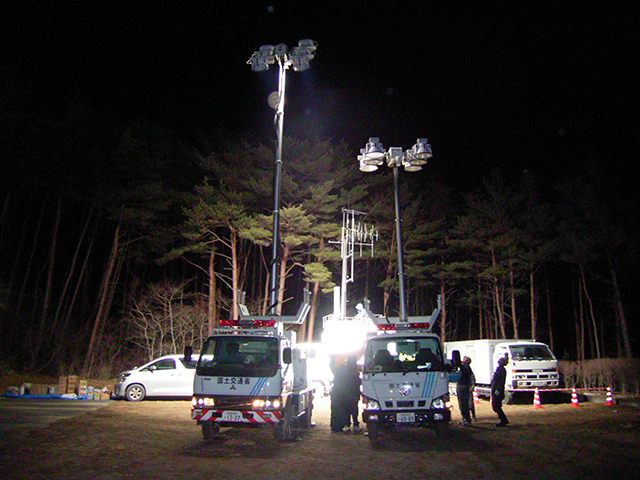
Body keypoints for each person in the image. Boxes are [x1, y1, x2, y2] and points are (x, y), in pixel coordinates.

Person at [343, 355, 361, 432]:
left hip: (347, 392)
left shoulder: (345, 369)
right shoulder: (355, 370)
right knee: (354, 409)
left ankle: (347, 424)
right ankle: (355, 425)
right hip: (354, 392)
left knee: (347, 409)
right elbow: (358, 381)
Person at [491, 356, 510, 426]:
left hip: (498, 389)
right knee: (496, 406)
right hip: (496, 389)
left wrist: (498, 389)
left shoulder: (501, 370)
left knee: (496, 406)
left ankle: (503, 419)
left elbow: (501, 381)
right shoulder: (500, 369)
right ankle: (503, 419)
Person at [456, 356, 474, 426]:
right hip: (464, 386)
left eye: (464, 359)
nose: (463, 360)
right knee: (463, 404)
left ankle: (467, 419)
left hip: (463, 387)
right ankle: (465, 418)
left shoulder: (465, 367)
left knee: (463, 404)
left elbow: (459, 364)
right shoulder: (467, 367)